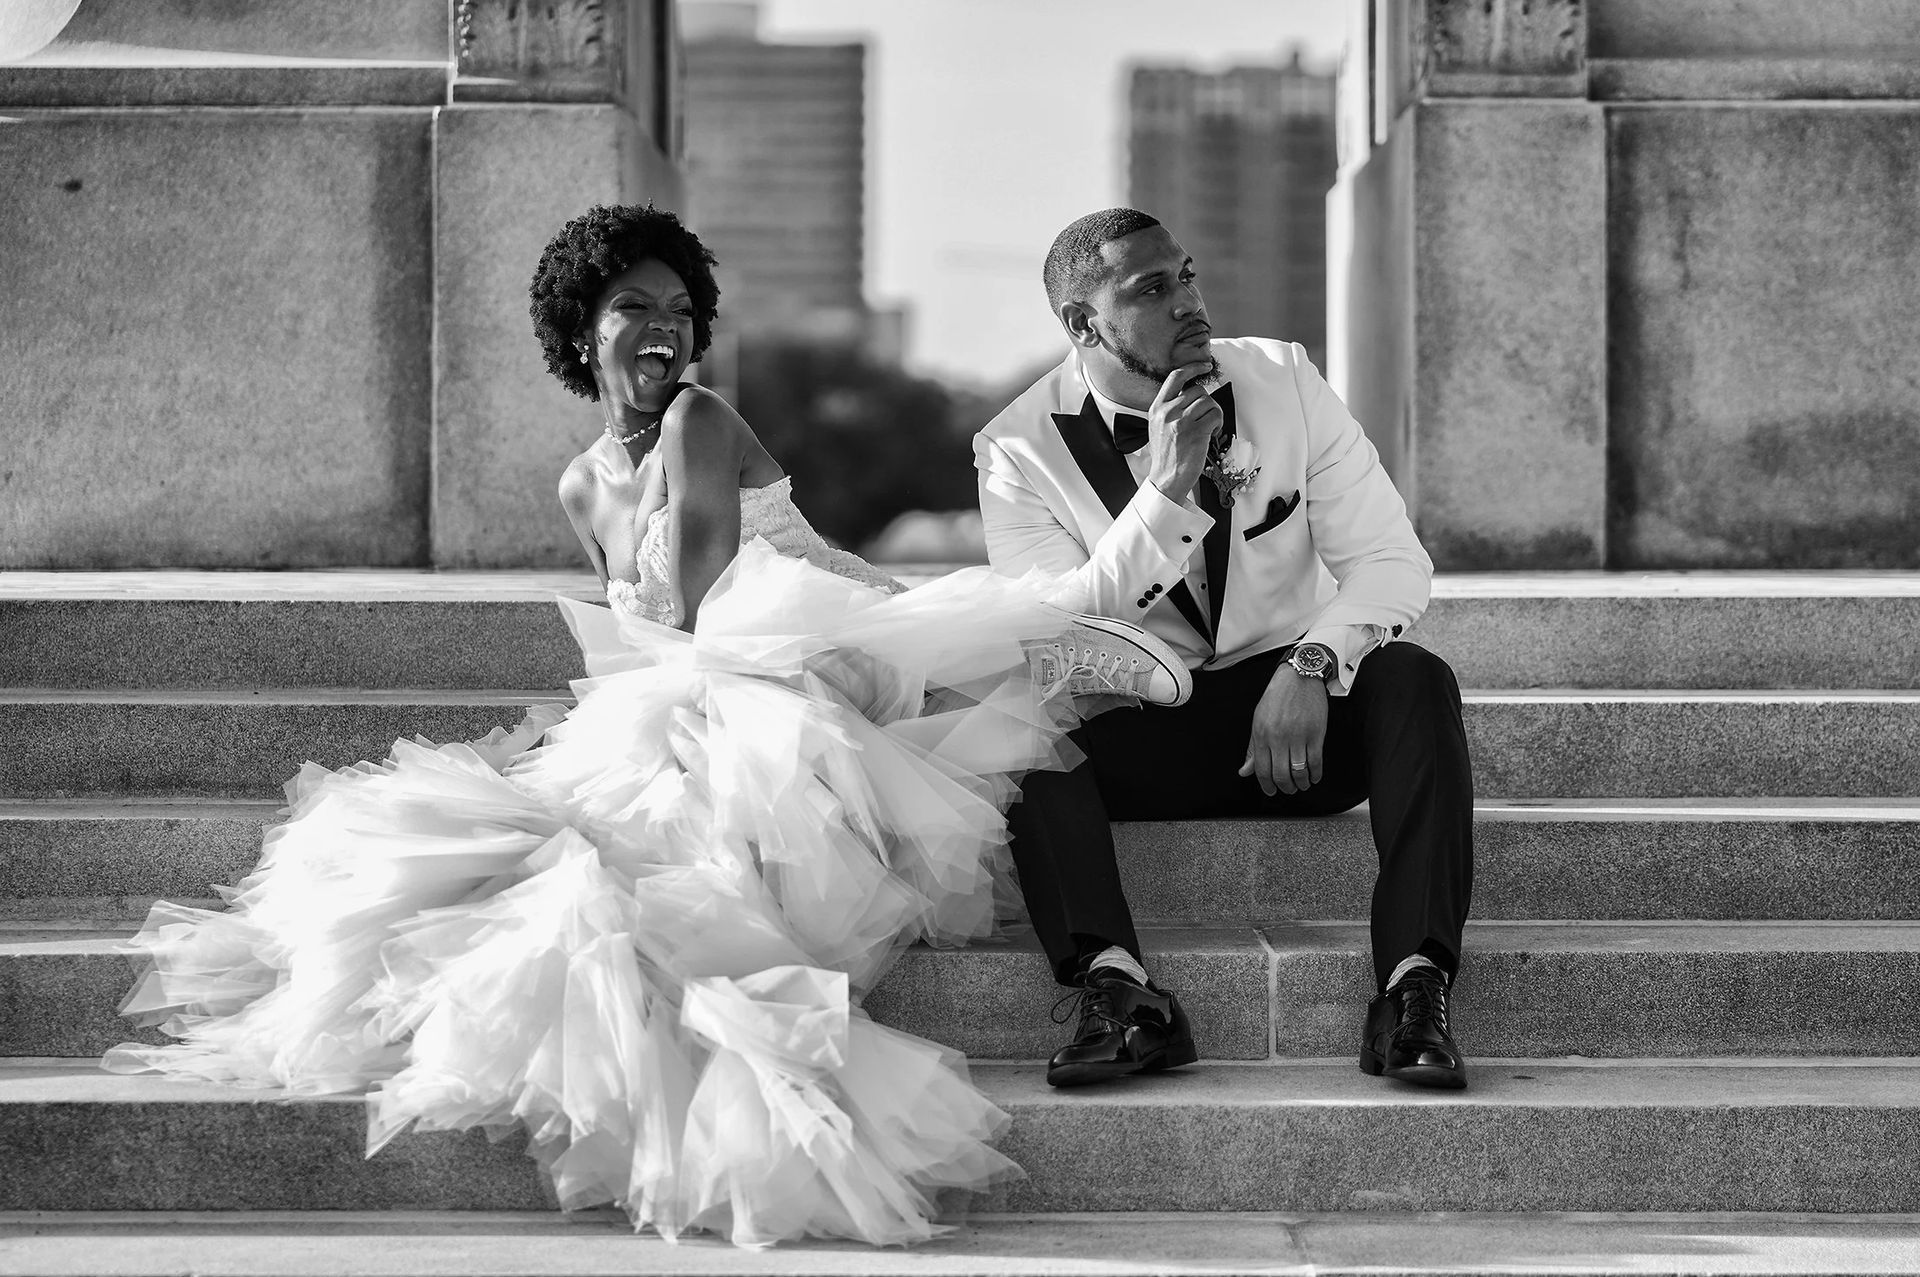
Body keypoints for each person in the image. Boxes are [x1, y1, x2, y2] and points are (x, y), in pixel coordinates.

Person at [103, 204, 1190, 1248]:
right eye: (633, 305)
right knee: (552, 842)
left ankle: (1042, 655)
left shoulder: (699, 420)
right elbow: (640, 640)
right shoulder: (581, 485)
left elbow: (710, 598)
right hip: (716, 674)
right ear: (585, 329)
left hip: (816, 648)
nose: (663, 327)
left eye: (679, 306)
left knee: (700, 785)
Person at [974, 208, 1475, 1090]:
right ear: (1082, 323)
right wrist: (1164, 493)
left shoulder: (1283, 379)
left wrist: (1311, 664)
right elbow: (1059, 639)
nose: (1189, 302)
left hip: (1295, 735)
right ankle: (1121, 996)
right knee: (1015, 721)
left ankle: (1413, 991)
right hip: (1135, 735)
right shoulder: (1016, 449)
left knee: (1414, 678)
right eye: (1152, 289)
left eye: (1189, 275)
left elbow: (1395, 563)